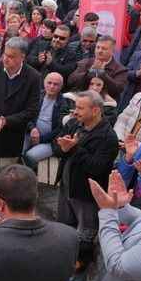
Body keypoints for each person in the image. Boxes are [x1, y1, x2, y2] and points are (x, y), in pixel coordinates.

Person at [0, 37, 40, 211]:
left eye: (11, 56)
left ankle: (2, 200)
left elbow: (32, 110)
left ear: (22, 57)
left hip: (12, 133)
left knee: (7, 172)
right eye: (5, 54)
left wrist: (7, 120)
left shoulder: (33, 77)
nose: (6, 59)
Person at [53, 90, 119, 248]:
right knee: (64, 226)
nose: (75, 112)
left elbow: (96, 168)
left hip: (86, 196)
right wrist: (63, 147)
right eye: (76, 107)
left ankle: (81, 263)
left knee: (85, 234)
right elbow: (57, 148)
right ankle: (64, 253)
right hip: (67, 187)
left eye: (80, 108)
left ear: (95, 110)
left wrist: (74, 148)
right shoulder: (73, 124)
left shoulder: (108, 138)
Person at [22, 72, 68, 173]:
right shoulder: (36, 96)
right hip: (29, 133)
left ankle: (28, 178)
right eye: (49, 83)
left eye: (56, 84)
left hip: (49, 141)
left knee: (30, 156)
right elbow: (27, 115)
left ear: (61, 87)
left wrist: (41, 139)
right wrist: (32, 128)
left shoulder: (63, 104)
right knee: (17, 150)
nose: (52, 86)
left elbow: (60, 129)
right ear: (44, 83)